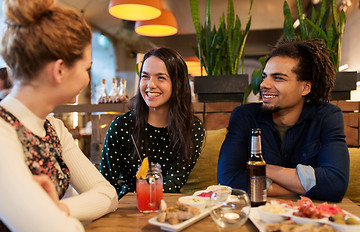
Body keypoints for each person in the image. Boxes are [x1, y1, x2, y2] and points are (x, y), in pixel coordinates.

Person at [0, 0, 118, 232]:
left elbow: (107, 193)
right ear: (60, 70)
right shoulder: (3, 132)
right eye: (87, 68)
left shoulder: (54, 128)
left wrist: (60, 209)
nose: (87, 79)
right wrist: (59, 219)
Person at [217, 39, 349, 202]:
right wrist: (301, 188)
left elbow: (335, 185)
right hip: (255, 214)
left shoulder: (327, 116)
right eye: (265, 77)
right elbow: (228, 181)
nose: (264, 84)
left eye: (278, 78)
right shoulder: (244, 116)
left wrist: (262, 168)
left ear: (305, 87)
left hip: (307, 219)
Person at [100, 47, 205, 199]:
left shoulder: (192, 128)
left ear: (178, 84)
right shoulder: (121, 126)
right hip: (125, 208)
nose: (150, 85)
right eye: (145, 76)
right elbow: (105, 184)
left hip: (166, 208)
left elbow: (173, 184)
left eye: (160, 78)